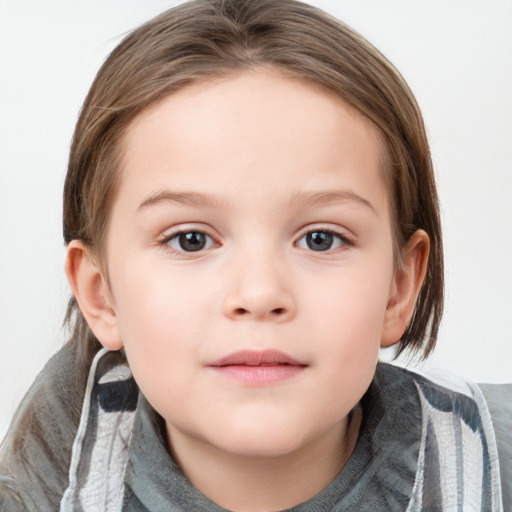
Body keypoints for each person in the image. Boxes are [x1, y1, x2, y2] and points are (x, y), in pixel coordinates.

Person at [0, 0, 509, 510]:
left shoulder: (491, 469)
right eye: (190, 239)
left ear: (400, 286)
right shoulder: (39, 484)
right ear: (100, 295)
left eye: (321, 238)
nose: (260, 294)